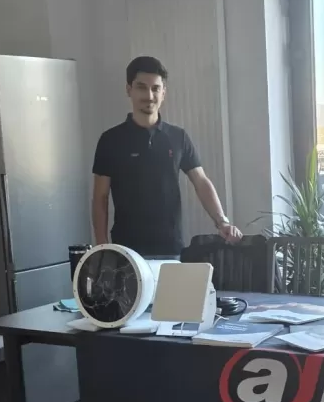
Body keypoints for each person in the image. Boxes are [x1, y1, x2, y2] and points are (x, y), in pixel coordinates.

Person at [91, 56, 242, 257]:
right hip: (126, 252)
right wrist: (102, 247)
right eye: (141, 87)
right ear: (129, 90)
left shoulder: (178, 137)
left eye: (155, 88)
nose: (149, 96)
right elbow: (100, 198)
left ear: (163, 92)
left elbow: (201, 181)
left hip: (171, 249)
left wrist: (222, 221)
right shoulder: (110, 140)